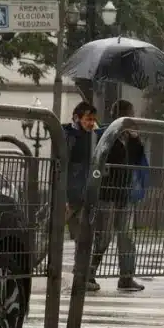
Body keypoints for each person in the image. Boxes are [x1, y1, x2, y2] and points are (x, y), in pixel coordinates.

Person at [86, 100, 145, 292]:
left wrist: (135, 139)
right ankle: (89, 273)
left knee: (126, 236)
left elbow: (137, 159)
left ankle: (126, 277)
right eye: (130, 114)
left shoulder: (129, 139)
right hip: (107, 194)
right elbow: (101, 159)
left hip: (124, 193)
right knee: (103, 236)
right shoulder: (107, 135)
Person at [64, 101, 97, 244]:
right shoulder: (69, 136)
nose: (92, 123)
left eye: (94, 119)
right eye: (88, 119)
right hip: (70, 195)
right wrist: (64, 196)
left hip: (83, 194)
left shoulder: (90, 136)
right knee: (51, 230)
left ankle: (80, 266)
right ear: (77, 118)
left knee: (82, 237)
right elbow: (63, 165)